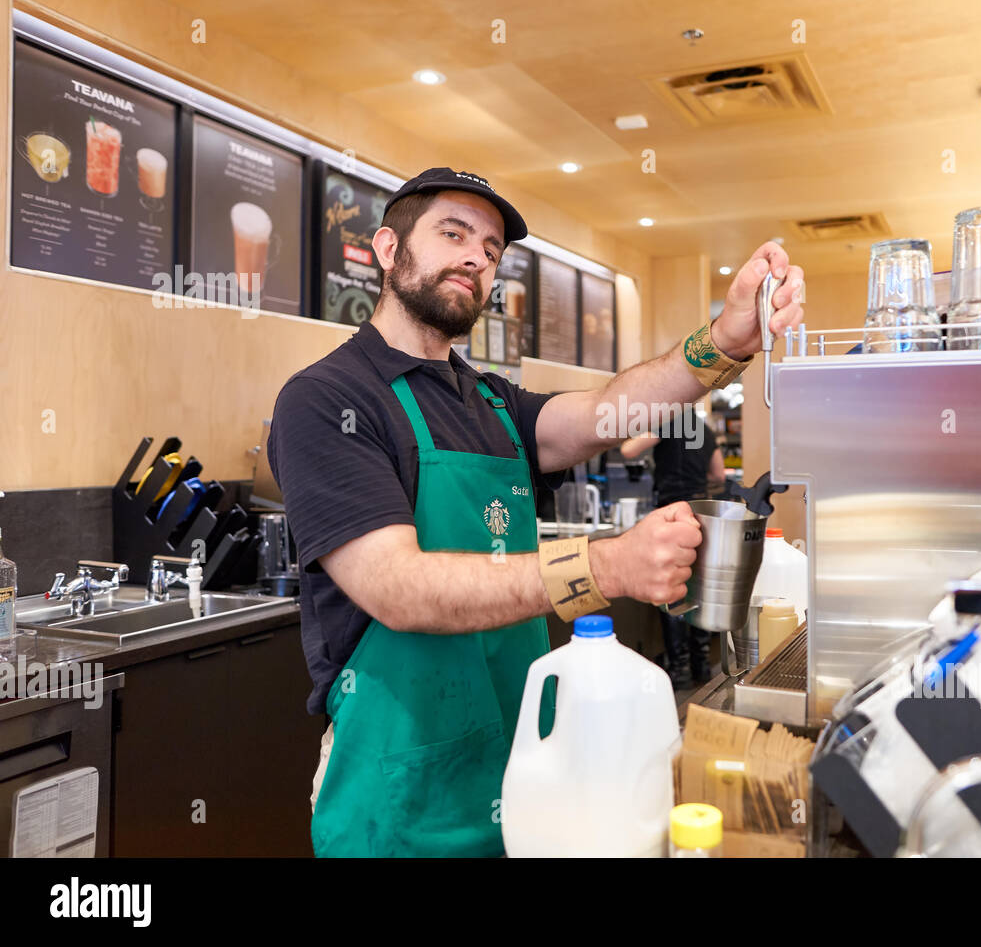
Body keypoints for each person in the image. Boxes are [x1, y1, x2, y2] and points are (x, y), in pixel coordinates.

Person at [267, 167, 805, 857]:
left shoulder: (491, 400)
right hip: (400, 793)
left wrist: (725, 341)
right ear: (386, 249)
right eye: (453, 234)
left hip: (522, 764)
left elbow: (616, 410)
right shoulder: (326, 399)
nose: (476, 258)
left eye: (491, 251)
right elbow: (398, 589)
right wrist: (607, 564)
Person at [620, 409, 725, 689]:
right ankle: (702, 664)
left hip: (671, 514)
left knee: (673, 588)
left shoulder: (667, 422)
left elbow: (628, 450)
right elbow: (719, 475)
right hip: (702, 515)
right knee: (699, 588)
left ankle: (679, 669)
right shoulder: (704, 430)